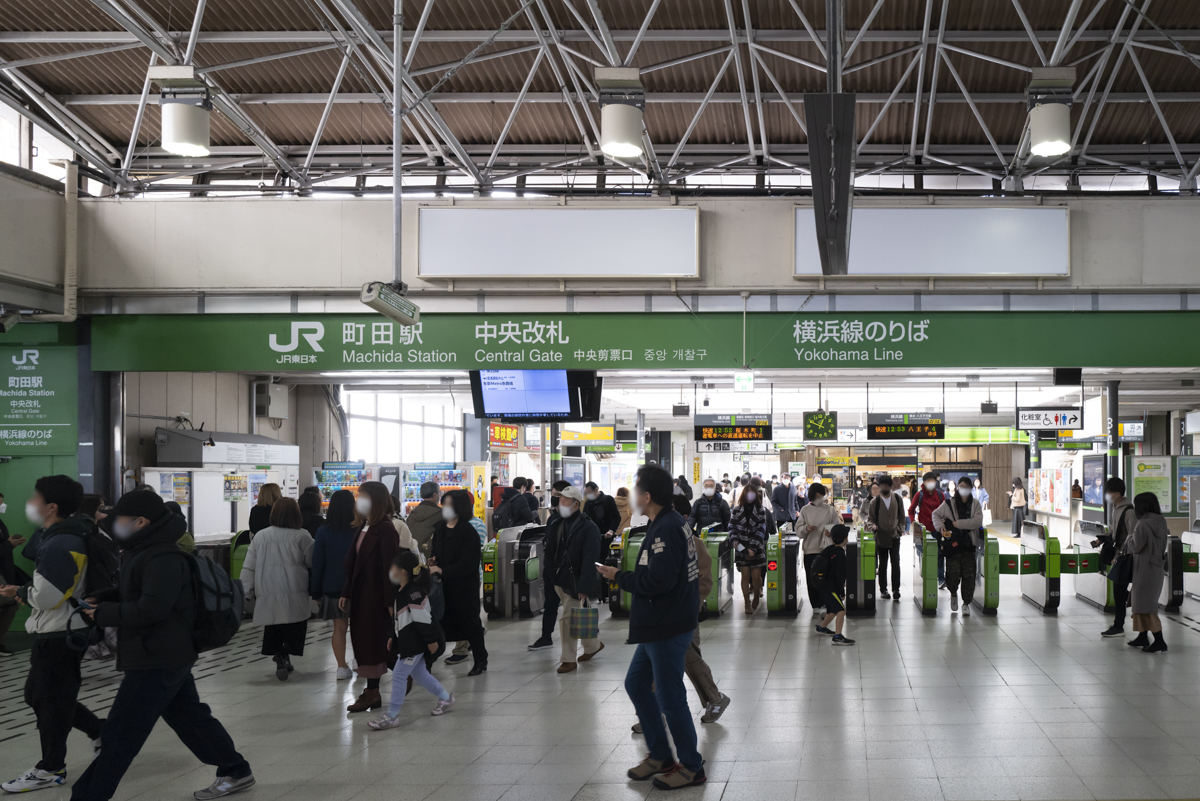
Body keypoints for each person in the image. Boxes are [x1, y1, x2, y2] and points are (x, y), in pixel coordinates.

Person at [67, 491, 255, 801]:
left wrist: (103, 614)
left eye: (121, 520)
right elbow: (145, 593)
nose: (115, 525)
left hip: (157, 656)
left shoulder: (162, 557)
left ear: (140, 522)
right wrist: (109, 596)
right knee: (190, 717)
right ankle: (235, 769)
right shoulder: (144, 550)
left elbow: (151, 609)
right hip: (164, 652)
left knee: (120, 735)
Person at [596, 465, 705, 790]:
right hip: (658, 623)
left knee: (670, 696)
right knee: (637, 684)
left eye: (635, 490)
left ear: (647, 496)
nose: (631, 497)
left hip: (667, 624)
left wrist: (618, 577)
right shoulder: (665, 523)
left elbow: (659, 581)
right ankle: (660, 754)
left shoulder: (667, 529)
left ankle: (691, 766)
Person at [0, 476, 106, 794]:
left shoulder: (62, 542)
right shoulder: (66, 533)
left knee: (49, 701)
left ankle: (51, 767)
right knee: (41, 696)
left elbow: (48, 596)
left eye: (34, 497)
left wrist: (20, 591)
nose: (30, 502)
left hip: (60, 632)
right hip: (61, 629)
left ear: (51, 506)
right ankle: (102, 731)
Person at [367, 551, 455, 729]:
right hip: (408, 641)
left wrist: (431, 641)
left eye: (393, 568)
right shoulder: (401, 591)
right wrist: (393, 636)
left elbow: (424, 620)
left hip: (415, 643)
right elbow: (399, 619)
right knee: (420, 674)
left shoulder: (414, 593)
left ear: (404, 571)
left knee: (399, 674)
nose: (390, 571)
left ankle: (392, 716)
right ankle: (446, 698)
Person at [341, 481, 402, 713]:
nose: (359, 500)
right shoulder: (364, 525)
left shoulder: (385, 528)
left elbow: (390, 567)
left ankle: (377, 689)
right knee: (367, 644)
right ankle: (372, 691)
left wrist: (390, 601)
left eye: (362, 496)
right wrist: (347, 591)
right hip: (360, 596)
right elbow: (355, 564)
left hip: (375, 598)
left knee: (376, 644)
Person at [240, 497, 314, 681]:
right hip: (294, 588)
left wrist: (246, 591)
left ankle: (280, 655)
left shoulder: (261, 536)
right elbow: (312, 562)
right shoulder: (302, 536)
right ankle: (285, 654)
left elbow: (249, 567)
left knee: (274, 627)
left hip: (268, 588)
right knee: (294, 627)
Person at [430, 489, 488, 675]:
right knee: (440, 621)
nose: (444, 507)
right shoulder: (439, 527)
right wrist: (434, 561)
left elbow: (468, 563)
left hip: (463, 585)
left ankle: (480, 659)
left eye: (448, 504)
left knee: (470, 623)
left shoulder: (468, 532)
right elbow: (436, 551)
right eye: (444, 503)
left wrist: (443, 570)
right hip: (443, 585)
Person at [552, 486, 604, 673]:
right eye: (559, 500)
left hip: (576, 581)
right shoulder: (557, 523)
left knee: (567, 619)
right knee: (579, 616)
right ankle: (593, 645)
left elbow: (591, 559)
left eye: (565, 500)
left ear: (575, 504)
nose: (561, 504)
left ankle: (568, 659)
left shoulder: (588, 527)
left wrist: (585, 586)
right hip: (561, 579)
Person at [310, 489, 357, 680]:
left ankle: (341, 667)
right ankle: (361, 663)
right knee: (358, 627)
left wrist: (316, 591)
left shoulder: (323, 531)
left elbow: (318, 562)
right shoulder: (359, 530)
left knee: (339, 627)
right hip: (357, 586)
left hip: (332, 585)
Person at [529, 480, 572, 652]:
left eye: (555, 495)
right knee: (551, 604)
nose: (553, 499)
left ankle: (589, 639)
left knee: (572, 607)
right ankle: (546, 636)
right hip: (552, 568)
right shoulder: (553, 517)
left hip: (566, 570)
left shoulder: (572, 519)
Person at [1125, 492, 1170, 653]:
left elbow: (1135, 546)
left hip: (1144, 568)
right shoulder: (1161, 522)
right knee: (1142, 604)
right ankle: (1142, 636)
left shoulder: (1143, 524)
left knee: (1148, 608)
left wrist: (1129, 537)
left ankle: (1159, 640)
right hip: (1155, 567)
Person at [932, 477, 983, 616]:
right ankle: (953, 593)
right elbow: (935, 514)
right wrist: (940, 527)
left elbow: (977, 522)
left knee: (969, 577)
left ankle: (966, 603)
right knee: (953, 575)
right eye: (961, 486)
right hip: (953, 547)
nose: (964, 489)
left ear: (970, 488)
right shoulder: (949, 503)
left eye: (967, 486)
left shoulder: (976, 504)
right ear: (958, 487)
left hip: (969, 547)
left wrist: (956, 524)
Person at [1097, 478, 1138, 638]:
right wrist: (1101, 539)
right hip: (1121, 555)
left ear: (1117, 494)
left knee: (1119, 590)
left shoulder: (1129, 511)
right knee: (1119, 591)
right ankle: (1119, 625)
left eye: (1108, 492)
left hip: (1127, 557)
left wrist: (1121, 555)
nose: (1106, 495)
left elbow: (1133, 536)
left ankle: (1119, 626)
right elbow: (1114, 531)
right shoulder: (1116, 508)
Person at [798, 483, 841, 614]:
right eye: (817, 496)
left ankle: (824, 604)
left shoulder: (830, 510)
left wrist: (831, 532)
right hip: (810, 549)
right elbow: (798, 531)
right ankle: (815, 605)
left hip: (826, 550)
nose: (820, 498)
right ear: (812, 496)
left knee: (826, 579)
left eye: (821, 496)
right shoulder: (805, 510)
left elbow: (837, 527)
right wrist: (806, 529)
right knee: (812, 579)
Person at [729, 477, 768, 613]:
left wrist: (753, 547)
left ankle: (757, 593)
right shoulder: (736, 510)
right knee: (744, 574)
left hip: (756, 546)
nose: (750, 495)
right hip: (740, 546)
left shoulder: (761, 510)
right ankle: (746, 601)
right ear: (744, 494)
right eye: (748, 493)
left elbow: (761, 529)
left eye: (752, 493)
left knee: (756, 576)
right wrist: (735, 541)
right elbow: (732, 527)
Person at [814, 524, 855, 646]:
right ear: (845, 539)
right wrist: (841, 592)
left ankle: (822, 627)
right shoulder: (840, 554)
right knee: (841, 610)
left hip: (823, 586)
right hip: (831, 588)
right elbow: (839, 575)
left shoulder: (829, 549)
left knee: (832, 610)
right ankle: (838, 636)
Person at [868, 476, 905, 601]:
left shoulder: (897, 499)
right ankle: (883, 589)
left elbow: (901, 516)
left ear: (890, 486)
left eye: (886, 485)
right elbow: (870, 519)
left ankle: (896, 589)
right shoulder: (875, 501)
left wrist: (900, 529)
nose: (884, 487)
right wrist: (872, 526)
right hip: (881, 537)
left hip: (895, 536)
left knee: (896, 563)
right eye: (882, 485)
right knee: (882, 564)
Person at [0, 490, 27, 658]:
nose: (2, 506)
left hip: (4, 570)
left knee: (11, 605)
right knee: (10, 603)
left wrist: (10, 543)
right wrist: (8, 544)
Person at [909, 472, 947, 588]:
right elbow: (911, 510)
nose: (930, 483)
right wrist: (914, 523)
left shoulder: (940, 495)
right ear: (924, 483)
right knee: (923, 554)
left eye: (932, 480)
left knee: (940, 554)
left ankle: (941, 578)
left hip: (938, 529)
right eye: (928, 481)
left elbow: (946, 510)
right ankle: (925, 576)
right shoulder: (919, 495)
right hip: (923, 531)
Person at [405, 481, 442, 558]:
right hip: (432, 558)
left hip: (412, 556)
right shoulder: (440, 514)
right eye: (439, 493)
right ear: (435, 495)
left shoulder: (412, 514)